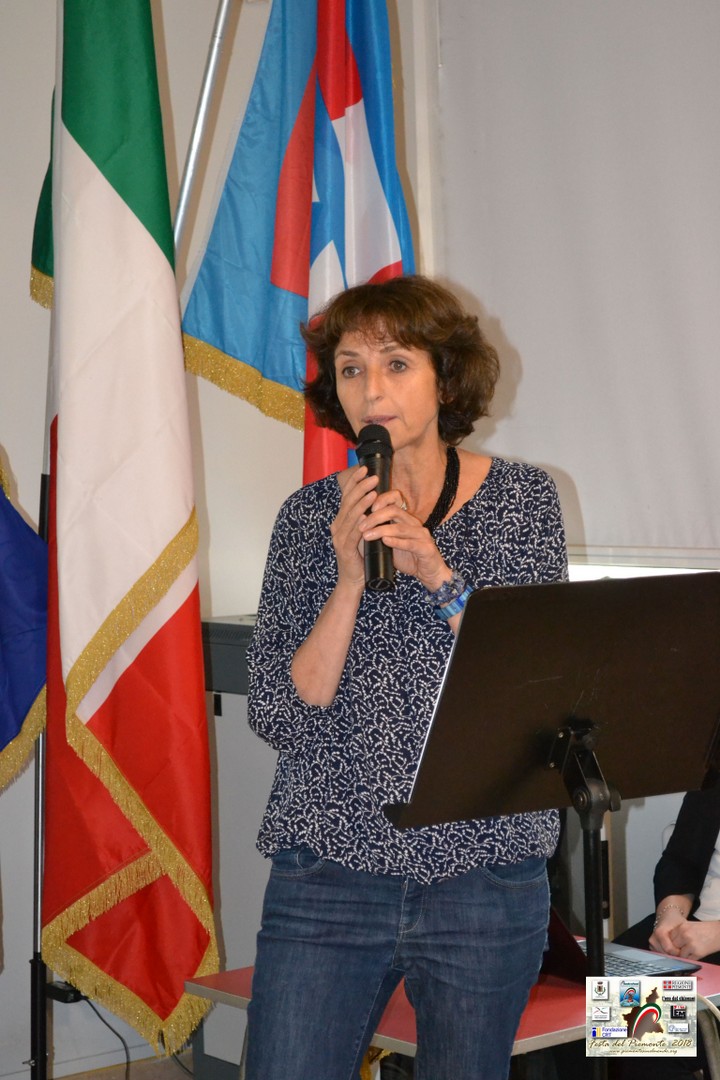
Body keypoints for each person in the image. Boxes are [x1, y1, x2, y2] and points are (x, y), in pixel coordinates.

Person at [245, 274, 568, 1080]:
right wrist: (348, 581)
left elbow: (541, 688)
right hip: (329, 868)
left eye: (396, 364)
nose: (372, 389)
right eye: (351, 369)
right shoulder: (306, 519)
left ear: (445, 379)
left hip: (483, 872)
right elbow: (282, 715)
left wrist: (437, 571)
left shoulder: (524, 501)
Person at [610, 781, 720, 1080]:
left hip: (712, 939)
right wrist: (669, 915)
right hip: (692, 929)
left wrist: (717, 934)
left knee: (641, 1038)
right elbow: (680, 860)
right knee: (576, 1001)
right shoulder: (713, 771)